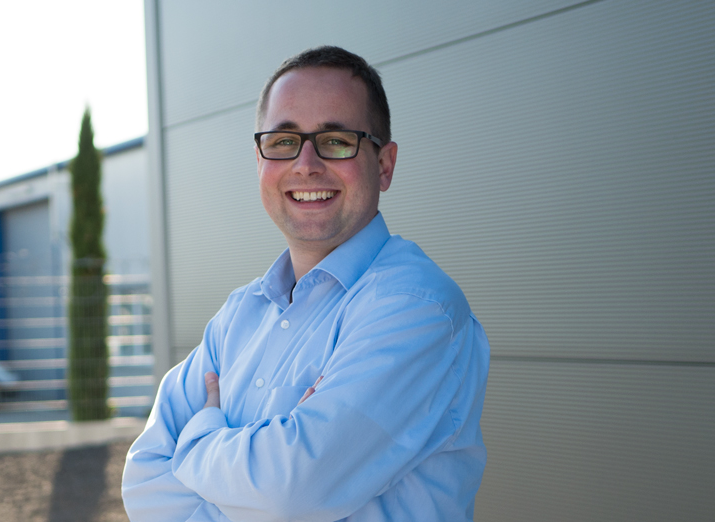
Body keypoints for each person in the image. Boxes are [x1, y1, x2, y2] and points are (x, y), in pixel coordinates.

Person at [122, 46, 490, 522]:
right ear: (260, 159)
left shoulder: (416, 308)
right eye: (283, 141)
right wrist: (266, 465)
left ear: (384, 164)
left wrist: (200, 437)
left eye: (336, 140)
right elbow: (143, 477)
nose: (306, 163)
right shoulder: (239, 315)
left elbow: (289, 494)